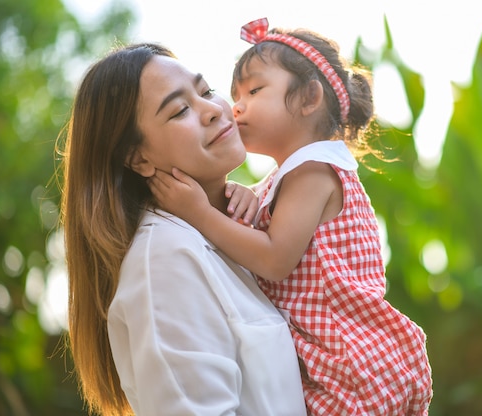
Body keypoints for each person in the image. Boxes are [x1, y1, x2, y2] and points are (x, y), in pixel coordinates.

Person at [150, 17, 433, 415]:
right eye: (235, 94)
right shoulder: (291, 176)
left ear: (308, 98)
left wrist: (199, 213)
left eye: (255, 90)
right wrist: (247, 198)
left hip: (347, 361)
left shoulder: (314, 172)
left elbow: (274, 259)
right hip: (330, 356)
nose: (237, 106)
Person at [58, 42, 307, 416]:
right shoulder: (164, 258)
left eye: (206, 91)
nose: (212, 110)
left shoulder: (231, 235)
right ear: (138, 158)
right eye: (179, 110)